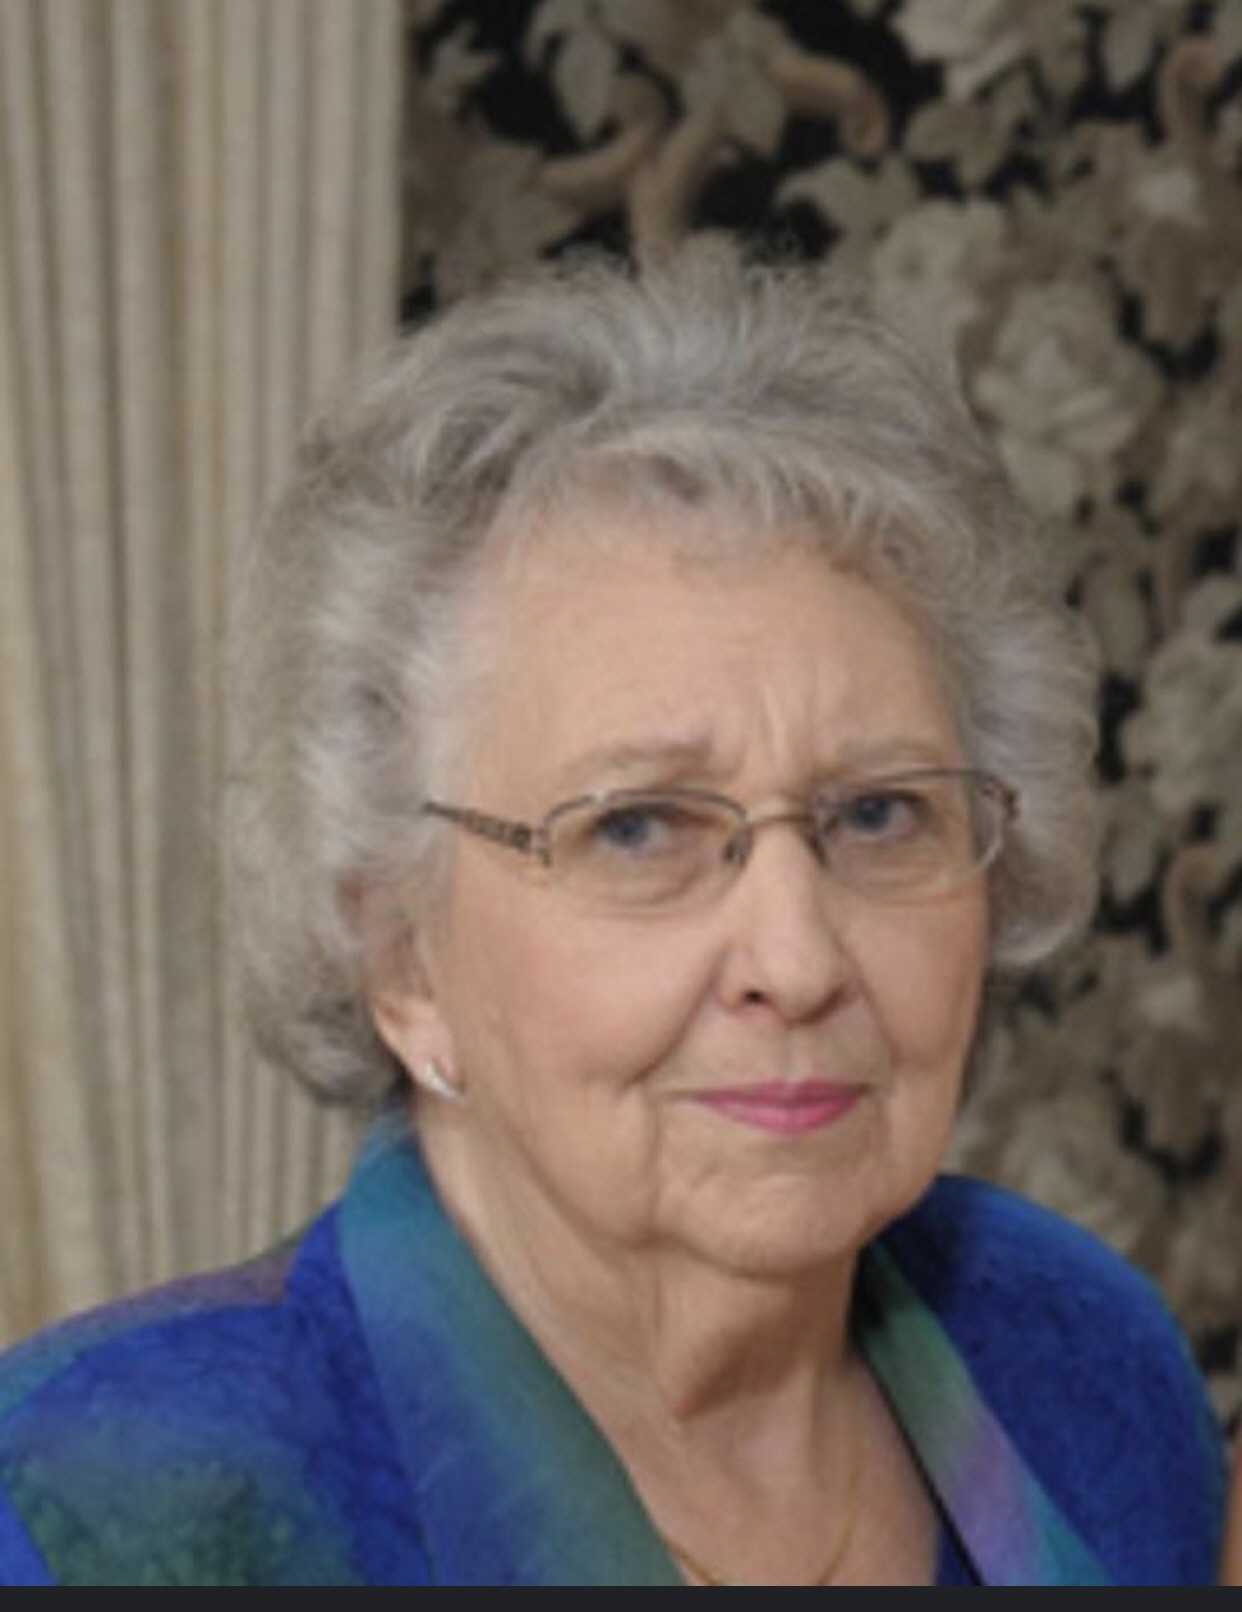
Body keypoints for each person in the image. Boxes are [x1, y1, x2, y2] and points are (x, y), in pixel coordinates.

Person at [0, 242, 1225, 1586]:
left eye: (879, 813)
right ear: (404, 961)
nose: (796, 959)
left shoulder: (1071, 1357)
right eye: (637, 828)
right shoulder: (101, 1507)